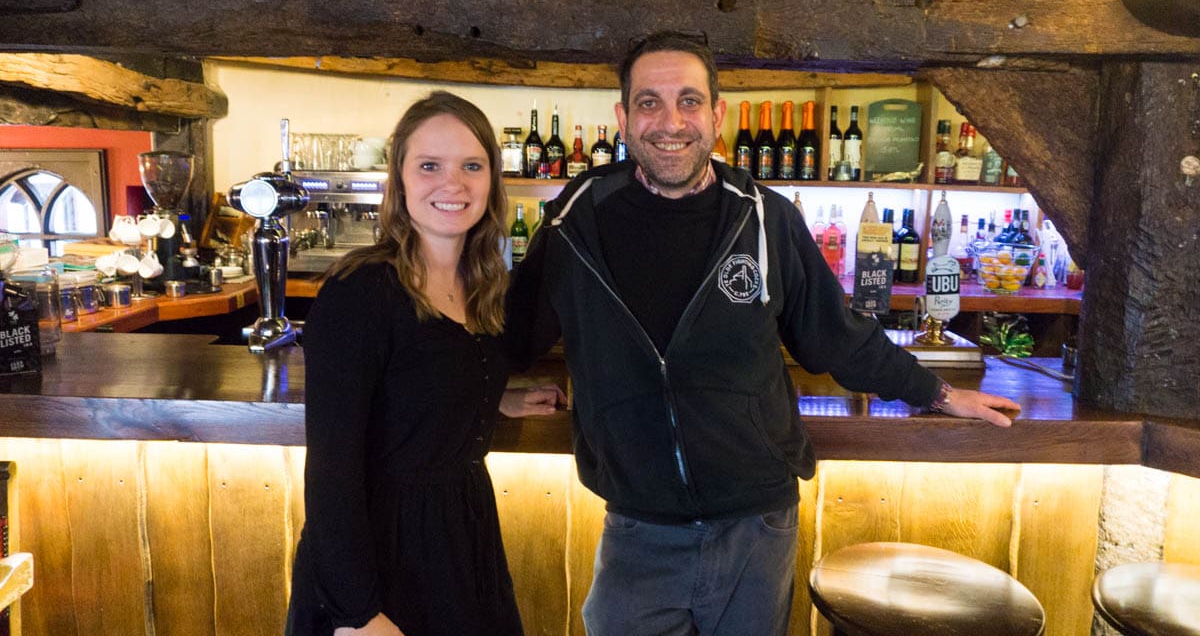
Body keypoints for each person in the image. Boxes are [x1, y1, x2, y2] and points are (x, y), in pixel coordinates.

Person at [506, 32, 1021, 636]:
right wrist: (491, 388)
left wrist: (937, 393)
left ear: (717, 115)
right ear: (623, 118)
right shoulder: (578, 215)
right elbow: (513, 331)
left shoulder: (763, 216)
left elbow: (836, 334)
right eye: (649, 103)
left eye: (689, 101)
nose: (670, 122)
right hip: (635, 528)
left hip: (757, 525)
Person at [286, 91, 564, 636]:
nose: (452, 183)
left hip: (463, 538)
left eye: (471, 165)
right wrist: (358, 614)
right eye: (430, 165)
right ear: (400, 180)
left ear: (491, 180)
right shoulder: (360, 292)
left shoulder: (482, 286)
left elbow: (431, 373)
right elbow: (332, 471)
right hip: (380, 552)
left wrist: (489, 399)